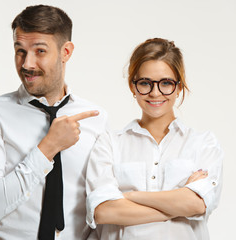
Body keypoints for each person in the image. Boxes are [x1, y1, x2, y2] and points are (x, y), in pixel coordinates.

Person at [0, 5, 107, 240]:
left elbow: (100, 202)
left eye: (40, 51)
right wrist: (49, 146)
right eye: (20, 51)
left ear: (66, 52)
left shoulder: (95, 117)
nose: (27, 64)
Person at [86, 38, 223, 240]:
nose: (155, 92)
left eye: (166, 83)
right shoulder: (109, 143)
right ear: (133, 86)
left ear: (179, 87)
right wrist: (179, 202)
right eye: (145, 83)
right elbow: (105, 212)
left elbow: (196, 204)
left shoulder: (203, 143)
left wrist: (130, 196)